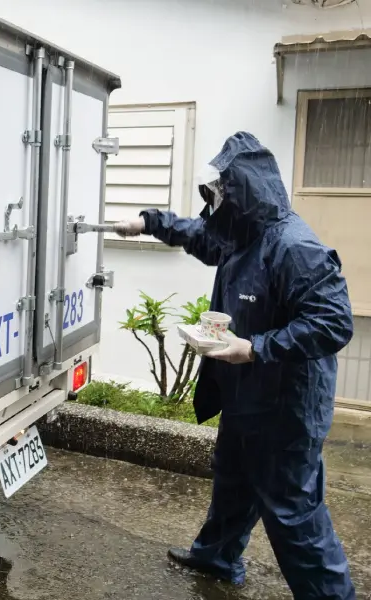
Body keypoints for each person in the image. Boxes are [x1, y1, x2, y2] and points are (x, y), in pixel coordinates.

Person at [115, 131, 356, 600]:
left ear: (246, 190)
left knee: (293, 514)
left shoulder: (293, 247)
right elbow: (198, 235)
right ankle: (217, 557)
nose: (215, 201)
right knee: (233, 478)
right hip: (245, 394)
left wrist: (254, 348)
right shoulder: (239, 233)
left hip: (286, 406)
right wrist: (148, 222)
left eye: (222, 192)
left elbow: (333, 322)